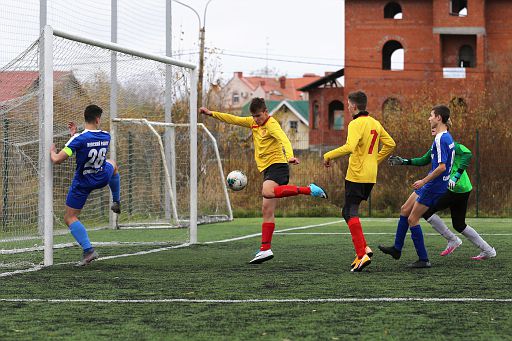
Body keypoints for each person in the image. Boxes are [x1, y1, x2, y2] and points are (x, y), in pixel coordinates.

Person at [199, 98, 327, 264]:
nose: (256, 119)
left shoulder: (272, 125)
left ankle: (308, 190)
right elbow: (233, 119)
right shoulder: (254, 123)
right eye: (253, 116)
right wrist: (211, 114)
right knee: (267, 210)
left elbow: (284, 139)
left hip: (278, 166)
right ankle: (265, 249)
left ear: (266, 112)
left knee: (266, 192)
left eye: (258, 116)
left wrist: (290, 156)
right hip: (267, 169)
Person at [323, 91, 396, 272]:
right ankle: (364, 249)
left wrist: (328, 155)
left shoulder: (356, 123)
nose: (347, 108)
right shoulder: (375, 123)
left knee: (350, 211)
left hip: (356, 174)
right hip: (370, 175)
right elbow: (391, 144)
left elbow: (350, 147)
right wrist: (375, 160)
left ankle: (361, 254)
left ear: (354, 106)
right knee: (347, 211)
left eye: (348, 105)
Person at [388, 142, 496, 260]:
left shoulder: (448, 143)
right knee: (459, 224)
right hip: (464, 188)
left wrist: (455, 177)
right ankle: (488, 250)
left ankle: (452, 239)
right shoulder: (436, 144)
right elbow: (424, 159)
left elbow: (467, 153)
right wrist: (404, 161)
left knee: (425, 211)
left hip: (453, 188)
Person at [379, 105, 454, 268]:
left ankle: (423, 259)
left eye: (431, 115)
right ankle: (397, 249)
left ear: (439, 118)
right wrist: (404, 161)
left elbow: (441, 167)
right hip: (433, 184)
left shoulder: (441, 139)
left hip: (434, 186)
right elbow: (426, 159)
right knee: (405, 209)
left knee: (413, 219)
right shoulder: (443, 137)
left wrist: (424, 181)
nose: (429, 118)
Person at [50, 105, 121, 266]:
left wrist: (52, 151)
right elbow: (89, 142)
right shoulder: (106, 136)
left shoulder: (79, 139)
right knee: (113, 164)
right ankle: (116, 200)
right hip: (101, 177)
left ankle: (88, 250)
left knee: (69, 217)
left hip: (83, 183)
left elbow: (58, 159)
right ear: (97, 119)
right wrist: (75, 135)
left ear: (86, 118)